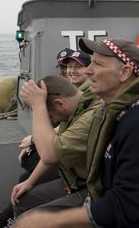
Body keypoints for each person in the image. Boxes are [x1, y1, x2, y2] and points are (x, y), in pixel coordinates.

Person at [15, 38, 139, 228]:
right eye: (90, 62)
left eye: (98, 64)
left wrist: (52, 220)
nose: (87, 71)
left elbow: (125, 205)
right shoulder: (111, 112)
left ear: (125, 72)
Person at [12, 75, 101, 218]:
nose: (52, 121)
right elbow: (57, 148)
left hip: (91, 188)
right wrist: (30, 182)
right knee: (23, 196)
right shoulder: (78, 105)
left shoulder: (91, 115)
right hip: (74, 179)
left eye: (51, 117)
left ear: (60, 104)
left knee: (27, 213)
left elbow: (50, 155)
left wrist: (38, 106)